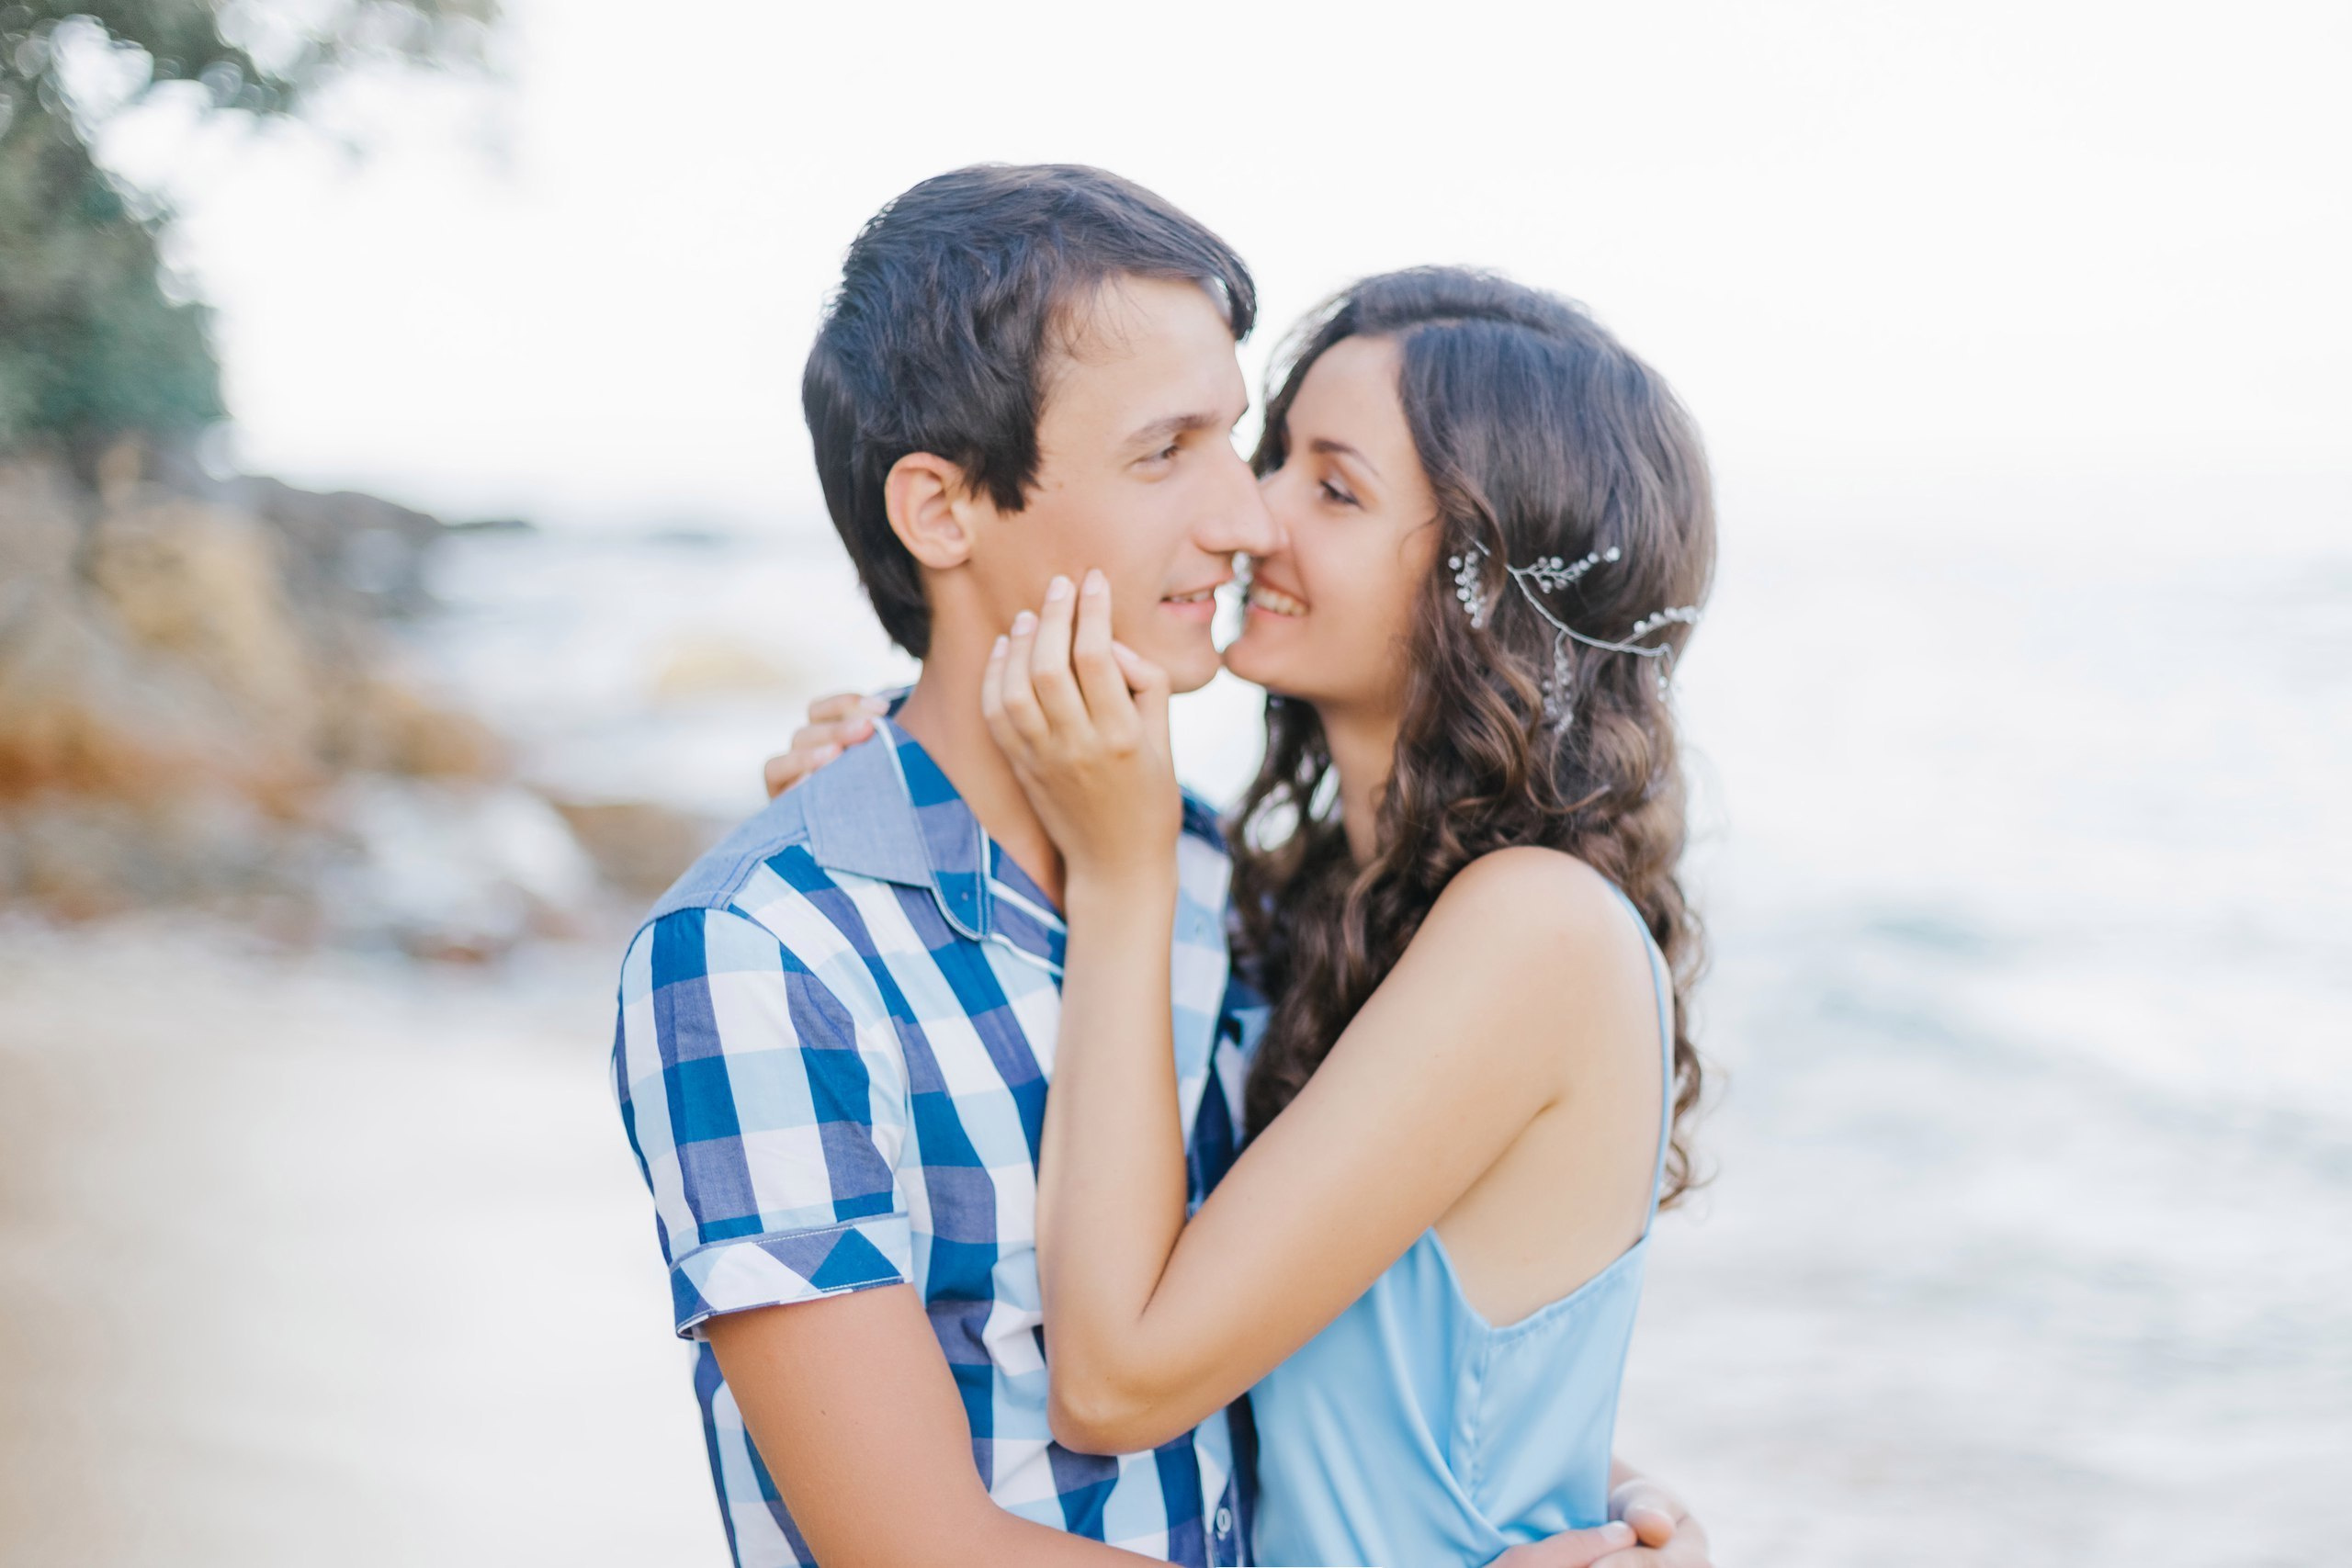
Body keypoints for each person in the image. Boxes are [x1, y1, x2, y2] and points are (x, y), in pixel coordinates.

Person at [613, 164, 1708, 1567]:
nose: (1249, 520)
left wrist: (1624, 1508)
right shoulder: (765, 954)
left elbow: (1360, 1363)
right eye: (1168, 452)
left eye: (1300, 472)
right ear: (942, 511)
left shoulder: (1216, 890)